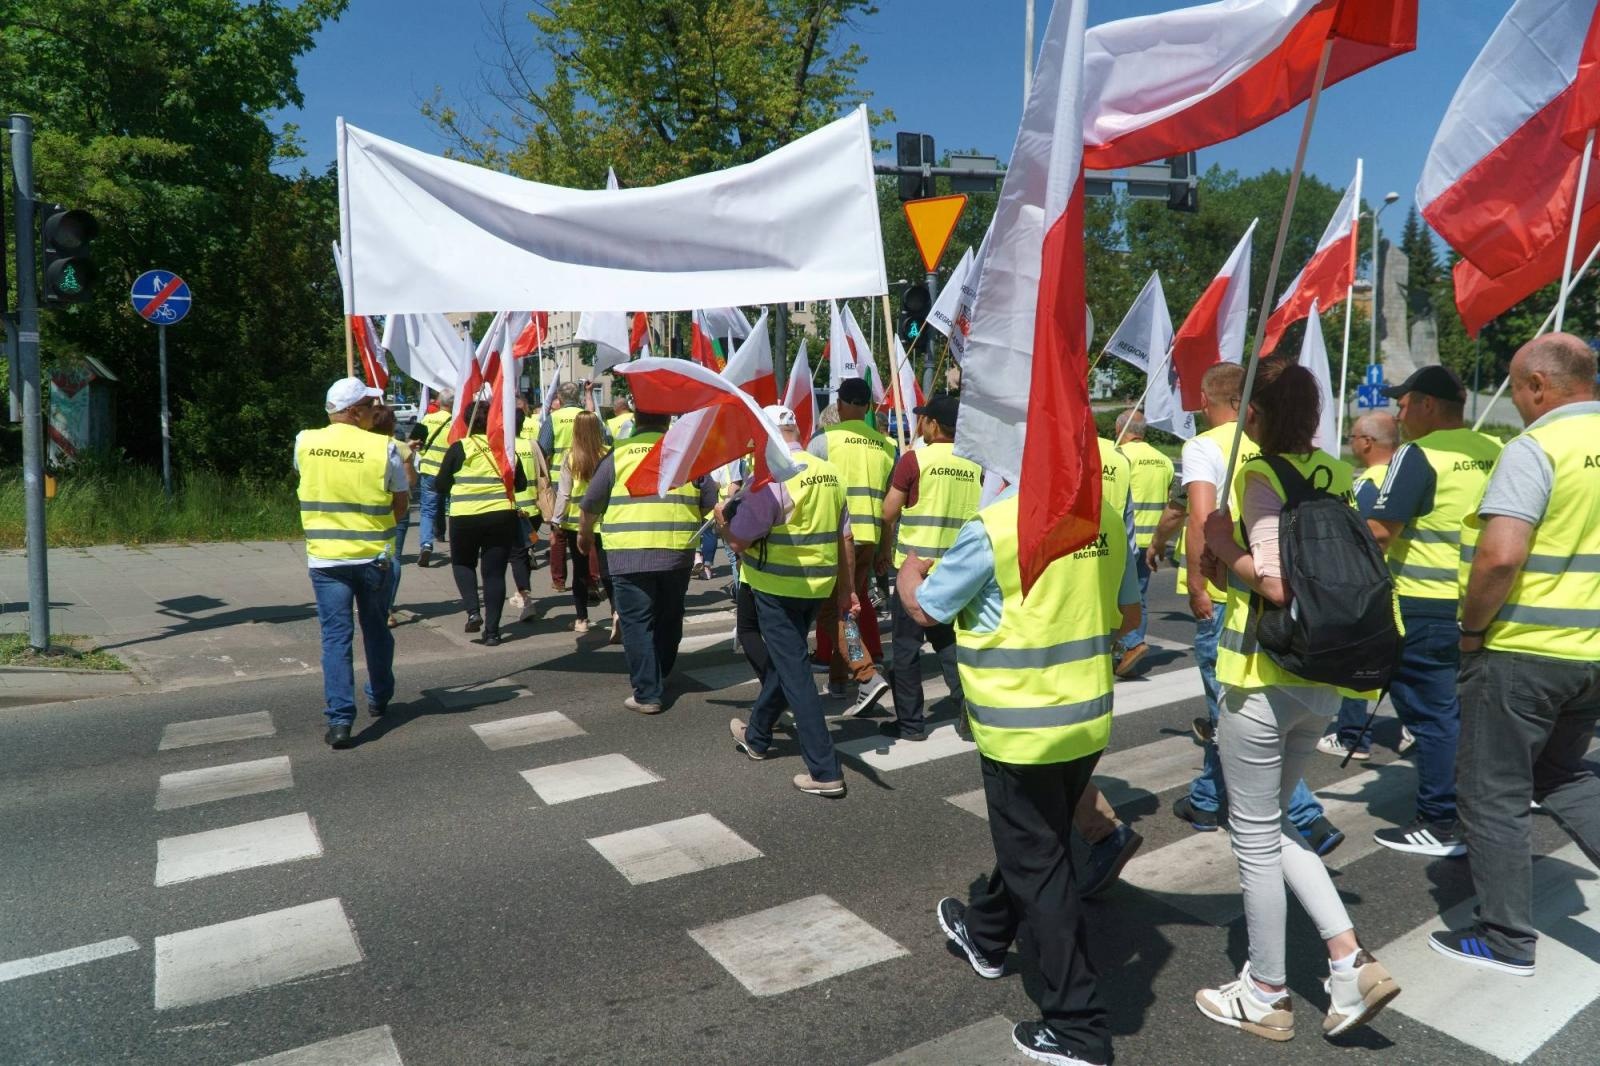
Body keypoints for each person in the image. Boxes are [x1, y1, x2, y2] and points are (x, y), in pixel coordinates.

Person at [1197, 358, 1400, 1041]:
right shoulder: (1336, 474)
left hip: (1263, 674)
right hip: (1322, 675)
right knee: (1274, 823)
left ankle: (1265, 991)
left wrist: (1222, 546)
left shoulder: (1259, 474)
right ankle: (1349, 961)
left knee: (1251, 838)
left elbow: (1279, 583)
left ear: (1253, 415)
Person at [911, 469, 1138, 1066]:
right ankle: (986, 934)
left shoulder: (995, 526)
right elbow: (1129, 613)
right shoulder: (1104, 517)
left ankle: (1079, 1028)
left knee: (1041, 865)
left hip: (1020, 729)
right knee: (1035, 843)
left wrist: (911, 571)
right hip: (1086, 719)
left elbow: (928, 609)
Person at [1433, 333, 1600, 977]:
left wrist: (1471, 632)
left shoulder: (1536, 448)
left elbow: (1500, 554)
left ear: (1537, 385)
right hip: (1592, 656)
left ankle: (1505, 938)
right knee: (1563, 775)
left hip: (1525, 652)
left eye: (1515, 386)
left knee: (1491, 794)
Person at [1172, 363, 1342, 855]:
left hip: (1240, 599)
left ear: (1210, 400)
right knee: (1225, 709)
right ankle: (1206, 799)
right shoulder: (1304, 454)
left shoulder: (1207, 445)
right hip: (1303, 604)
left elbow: (1203, 518)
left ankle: (1307, 817)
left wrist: (1200, 582)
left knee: (1231, 710)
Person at [1367, 365, 1503, 858]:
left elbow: (1381, 532)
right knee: (1469, 714)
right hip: (1483, 602)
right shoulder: (1495, 449)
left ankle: (1441, 820)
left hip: (1422, 608)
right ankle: (1479, 810)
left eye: (1403, 404)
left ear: (1426, 404)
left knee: (1432, 717)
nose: (1399, 414)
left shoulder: (1418, 455)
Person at [720, 404, 852, 798]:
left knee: (796, 675)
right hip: (817, 586)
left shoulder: (773, 478)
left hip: (776, 588)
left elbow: (738, 540)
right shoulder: (828, 471)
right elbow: (844, 536)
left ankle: (825, 770)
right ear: (795, 430)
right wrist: (847, 591)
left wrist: (723, 518)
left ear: (766, 437)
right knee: (786, 661)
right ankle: (758, 735)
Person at [294, 378, 408, 749]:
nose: (375, 412)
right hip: (373, 556)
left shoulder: (305, 442)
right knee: (375, 629)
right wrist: (381, 531)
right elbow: (401, 502)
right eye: (370, 407)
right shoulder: (384, 447)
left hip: (326, 560)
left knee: (335, 639)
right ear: (355, 411)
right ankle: (379, 695)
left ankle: (341, 721)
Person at [577, 410, 715, 714]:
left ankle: (648, 693)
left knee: (637, 622)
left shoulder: (618, 455)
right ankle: (661, 672)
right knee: (669, 616)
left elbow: (590, 504)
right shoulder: (687, 456)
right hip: (676, 553)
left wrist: (584, 538)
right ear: (667, 422)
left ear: (635, 421)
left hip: (629, 554)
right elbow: (710, 500)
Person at [878, 393, 980, 742]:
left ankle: (911, 724)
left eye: (924, 418)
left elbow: (888, 513)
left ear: (933, 424)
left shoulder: (914, 460)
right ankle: (968, 709)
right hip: (959, 573)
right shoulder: (976, 463)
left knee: (906, 649)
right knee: (950, 646)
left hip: (915, 572)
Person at [809, 377, 895, 715]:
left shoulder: (823, 441)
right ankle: (839, 681)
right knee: (847, 612)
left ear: (841, 405)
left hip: (835, 538)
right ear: (869, 408)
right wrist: (884, 551)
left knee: (835, 613)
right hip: (868, 540)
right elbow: (890, 509)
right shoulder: (888, 447)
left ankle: (866, 676)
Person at [1317, 411, 1400, 761]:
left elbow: (1356, 536)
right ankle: (1409, 728)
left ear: (1367, 441)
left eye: (1352, 437)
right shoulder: (1403, 476)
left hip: (1371, 585)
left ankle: (1352, 736)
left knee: (1359, 660)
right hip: (1406, 582)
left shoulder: (1370, 483)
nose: (1350, 442)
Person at [434, 403, 528, 647]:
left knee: (463, 563)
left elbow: (440, 484)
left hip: (464, 517)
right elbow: (521, 485)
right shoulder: (504, 448)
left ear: (467, 422)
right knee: (494, 573)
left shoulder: (459, 448)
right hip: (499, 516)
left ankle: (473, 611)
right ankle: (493, 632)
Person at [1112, 409, 1174, 678]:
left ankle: (1131, 644)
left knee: (1116, 597)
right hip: (1152, 541)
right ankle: (1129, 647)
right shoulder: (1164, 461)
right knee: (1139, 596)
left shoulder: (1121, 457)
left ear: (1120, 430)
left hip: (1127, 539)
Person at [553, 411, 612, 636]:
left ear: (576, 430)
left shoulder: (570, 457)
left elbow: (564, 494)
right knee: (607, 570)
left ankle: (581, 619)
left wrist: (557, 519)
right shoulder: (607, 454)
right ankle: (616, 613)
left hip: (576, 524)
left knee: (579, 571)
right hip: (604, 521)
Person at [369, 406, 417, 628]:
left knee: (369, 554)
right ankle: (387, 607)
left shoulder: (363, 446)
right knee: (393, 556)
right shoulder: (400, 448)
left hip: (370, 507)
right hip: (398, 506)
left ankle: (370, 601)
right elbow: (410, 482)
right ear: (392, 425)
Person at [541, 382, 589, 593]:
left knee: (558, 532)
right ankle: (592, 580)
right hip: (587, 476)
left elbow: (543, 448)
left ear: (559, 397)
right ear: (577, 396)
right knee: (588, 529)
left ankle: (559, 580)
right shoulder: (588, 416)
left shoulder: (554, 418)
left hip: (559, 480)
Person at [410, 388, 453, 568]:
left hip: (429, 471)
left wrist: (426, 451)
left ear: (439, 402)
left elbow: (414, 443)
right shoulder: (456, 422)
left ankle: (426, 544)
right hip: (450, 473)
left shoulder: (427, 419)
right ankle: (457, 545)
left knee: (427, 510)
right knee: (454, 510)